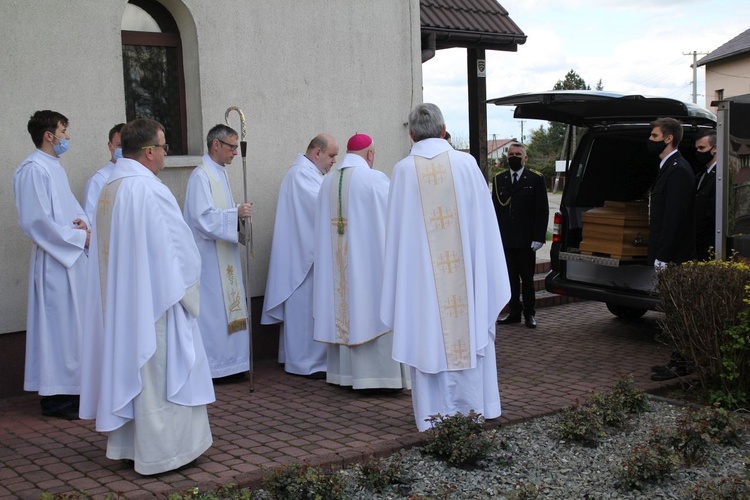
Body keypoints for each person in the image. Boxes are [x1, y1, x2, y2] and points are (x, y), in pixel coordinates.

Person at [79, 118, 214, 475]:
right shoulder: (149, 189)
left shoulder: (110, 186)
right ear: (150, 151)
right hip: (156, 302)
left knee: (132, 366)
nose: (166, 152)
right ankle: (166, 452)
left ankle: (129, 445)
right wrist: (190, 290)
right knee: (160, 372)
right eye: (165, 146)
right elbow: (178, 249)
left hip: (122, 304)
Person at [380, 103, 511, 431]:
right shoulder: (466, 165)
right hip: (465, 281)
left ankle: (432, 416)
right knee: (467, 330)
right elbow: (485, 229)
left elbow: (396, 239)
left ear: (411, 133)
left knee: (426, 336)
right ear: (443, 130)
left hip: (421, 284)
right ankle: (474, 408)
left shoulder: (402, 171)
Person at [313, 133, 409, 391]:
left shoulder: (328, 182)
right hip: (369, 268)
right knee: (370, 307)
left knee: (344, 305)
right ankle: (380, 378)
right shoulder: (374, 179)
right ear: (370, 154)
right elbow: (395, 220)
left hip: (339, 270)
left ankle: (343, 375)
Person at [13, 110, 90, 420]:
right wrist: (76, 237)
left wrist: (84, 225)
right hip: (55, 262)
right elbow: (36, 221)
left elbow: (73, 208)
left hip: (71, 259)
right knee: (58, 329)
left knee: (73, 329)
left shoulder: (54, 167)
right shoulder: (32, 170)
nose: (67, 137)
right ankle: (56, 398)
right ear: (49, 135)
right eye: (64, 131)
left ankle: (74, 389)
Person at [262, 133, 339, 377]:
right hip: (303, 260)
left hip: (306, 255)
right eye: (331, 155)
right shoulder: (301, 175)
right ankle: (306, 363)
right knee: (305, 311)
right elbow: (321, 209)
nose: (334, 161)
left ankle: (299, 359)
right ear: (317, 153)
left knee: (305, 312)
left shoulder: (308, 173)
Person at [183, 124, 252, 383]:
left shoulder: (219, 173)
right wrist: (236, 214)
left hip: (224, 256)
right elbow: (202, 218)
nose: (235, 152)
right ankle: (215, 367)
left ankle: (233, 363)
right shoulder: (201, 176)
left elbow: (218, 210)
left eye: (236, 147)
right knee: (214, 311)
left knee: (228, 307)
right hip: (209, 259)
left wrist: (237, 212)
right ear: (216, 145)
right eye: (231, 147)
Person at [647, 117, 697, 382]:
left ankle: (682, 363)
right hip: (667, 253)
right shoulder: (668, 167)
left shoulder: (678, 169)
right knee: (672, 311)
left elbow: (674, 218)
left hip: (675, 256)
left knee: (678, 312)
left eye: (654, 136)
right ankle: (678, 360)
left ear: (669, 138)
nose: (650, 141)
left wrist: (663, 256)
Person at [493, 142, 549, 328]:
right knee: (510, 279)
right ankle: (514, 312)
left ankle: (529, 314)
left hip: (527, 240)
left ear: (525, 158)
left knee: (527, 280)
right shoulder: (499, 179)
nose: (514, 157)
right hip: (507, 239)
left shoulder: (535, 179)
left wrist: (539, 237)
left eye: (518, 154)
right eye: (511, 154)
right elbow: (494, 211)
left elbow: (542, 210)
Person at [83, 123, 124, 223]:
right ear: (110, 146)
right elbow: (91, 219)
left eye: (127, 145)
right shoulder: (98, 180)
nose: (124, 150)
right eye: (119, 145)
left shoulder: (139, 178)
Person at [693, 129, 717, 261]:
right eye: (697, 148)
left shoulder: (719, 176)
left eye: (702, 148)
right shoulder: (703, 174)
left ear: (715, 149)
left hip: (710, 243)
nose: (698, 152)